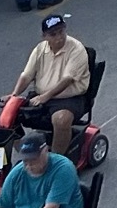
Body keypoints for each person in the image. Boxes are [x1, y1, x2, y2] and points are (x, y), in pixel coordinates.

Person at [10, 13, 93, 156]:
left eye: (61, 32)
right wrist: (14, 95)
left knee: (61, 120)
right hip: (41, 96)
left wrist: (46, 97)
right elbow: (27, 75)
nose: (59, 37)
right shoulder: (40, 49)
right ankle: (28, 155)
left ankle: (56, 160)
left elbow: (67, 79)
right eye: (53, 34)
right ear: (45, 36)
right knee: (10, 115)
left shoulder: (77, 49)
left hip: (69, 98)